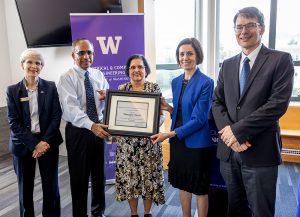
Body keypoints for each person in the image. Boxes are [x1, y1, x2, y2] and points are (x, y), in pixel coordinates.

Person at [212, 7, 294, 217]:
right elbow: (217, 102)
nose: (243, 31)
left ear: (262, 29)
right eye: (239, 26)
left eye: (250, 25)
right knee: (234, 209)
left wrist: (238, 132)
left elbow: (276, 105)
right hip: (229, 153)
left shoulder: (280, 60)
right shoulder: (228, 65)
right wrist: (231, 136)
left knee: (261, 211)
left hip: (260, 151)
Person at [151, 38, 214, 217]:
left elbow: (199, 119)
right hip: (178, 143)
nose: (185, 57)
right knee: (183, 184)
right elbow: (182, 113)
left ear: (197, 56)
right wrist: (168, 108)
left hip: (196, 144)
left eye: (189, 53)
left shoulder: (206, 82)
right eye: (181, 54)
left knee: (200, 188)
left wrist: (168, 134)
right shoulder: (176, 81)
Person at [6, 49, 63, 217]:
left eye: (38, 63)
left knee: (51, 186)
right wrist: (34, 143)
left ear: (42, 67)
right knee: (25, 187)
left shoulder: (50, 87)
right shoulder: (12, 91)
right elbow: (13, 122)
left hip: (48, 142)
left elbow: (56, 115)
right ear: (22, 65)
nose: (33, 66)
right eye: (29, 62)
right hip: (23, 144)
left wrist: (44, 142)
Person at [57, 38, 110, 217]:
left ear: (93, 55)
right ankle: (80, 214)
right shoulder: (66, 78)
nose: (86, 56)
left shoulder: (99, 75)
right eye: (81, 53)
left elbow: (108, 102)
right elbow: (71, 109)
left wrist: (108, 98)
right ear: (73, 55)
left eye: (89, 53)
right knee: (79, 177)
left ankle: (98, 212)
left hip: (99, 130)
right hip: (78, 132)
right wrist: (91, 125)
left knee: (98, 175)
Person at [114, 54, 165, 217]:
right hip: (128, 146)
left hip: (149, 144)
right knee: (131, 181)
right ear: (128, 71)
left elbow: (162, 114)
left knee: (148, 180)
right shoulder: (122, 89)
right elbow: (116, 116)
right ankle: (134, 213)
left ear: (146, 70)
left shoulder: (154, 88)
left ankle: (147, 213)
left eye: (140, 67)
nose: (136, 70)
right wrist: (117, 129)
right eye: (133, 67)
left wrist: (154, 126)